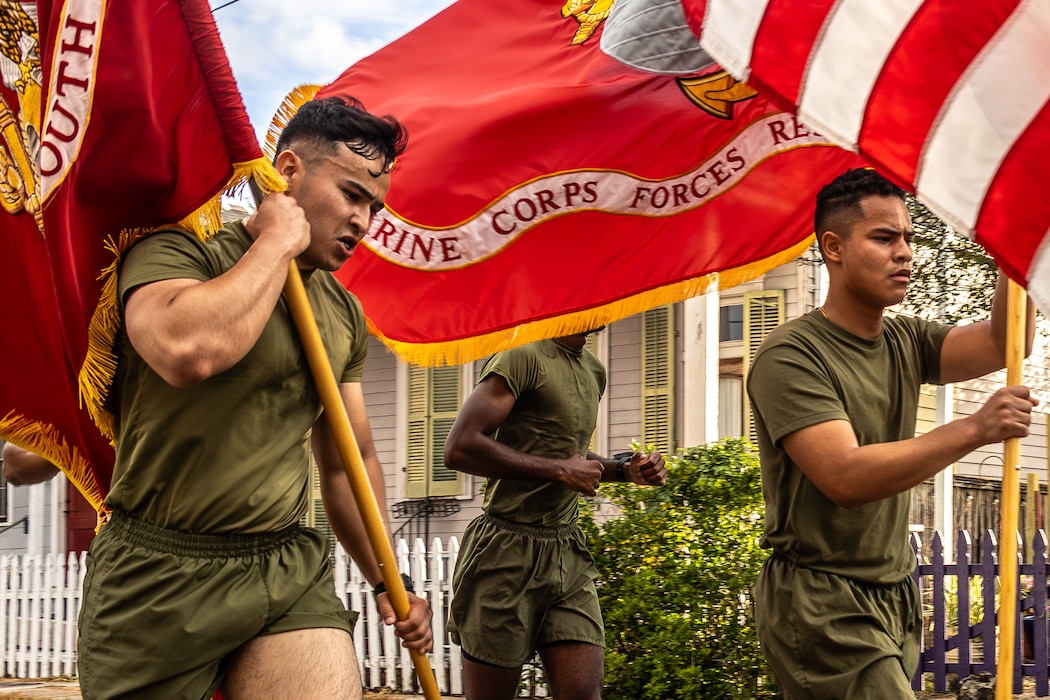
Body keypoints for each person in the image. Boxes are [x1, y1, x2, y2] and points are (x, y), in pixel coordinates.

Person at [76, 96, 433, 700]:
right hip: (158, 572)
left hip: (282, 565)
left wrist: (385, 579)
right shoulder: (176, 252)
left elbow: (351, 460)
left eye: (374, 207)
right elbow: (188, 351)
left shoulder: (342, 313)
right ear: (288, 172)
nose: (364, 223)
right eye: (351, 195)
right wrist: (275, 245)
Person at [747, 167, 1038, 698]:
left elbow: (1005, 340)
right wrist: (975, 427)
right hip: (821, 599)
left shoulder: (905, 338)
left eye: (908, 237)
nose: (904, 252)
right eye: (884, 238)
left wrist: (1016, 244)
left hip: (894, 588)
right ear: (833, 248)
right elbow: (845, 475)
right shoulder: (791, 355)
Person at [443, 331, 667, 700]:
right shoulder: (521, 356)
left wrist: (625, 470)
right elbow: (460, 448)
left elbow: (569, 457)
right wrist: (557, 471)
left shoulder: (594, 370)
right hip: (505, 550)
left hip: (566, 549)